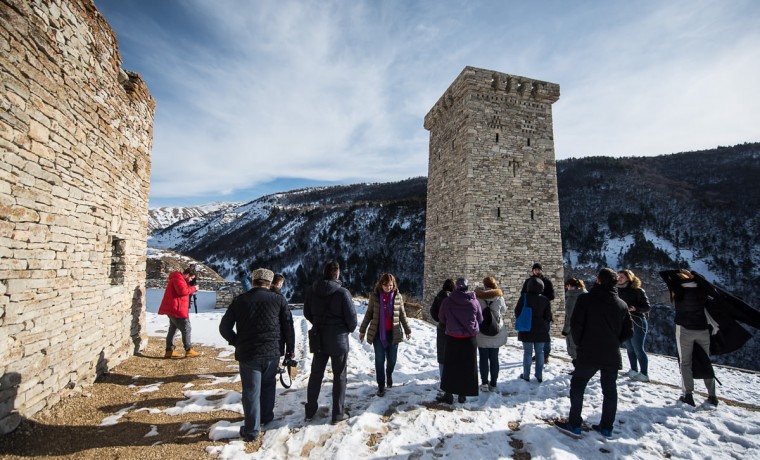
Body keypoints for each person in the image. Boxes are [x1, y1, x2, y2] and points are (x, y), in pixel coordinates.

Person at [219, 268, 296, 442]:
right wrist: (290, 349)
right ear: (269, 283)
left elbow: (224, 328)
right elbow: (288, 327)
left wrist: (236, 341)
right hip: (272, 351)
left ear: (253, 281)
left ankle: (252, 430)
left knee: (251, 391)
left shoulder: (240, 301)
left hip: (248, 353)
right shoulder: (278, 300)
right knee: (268, 385)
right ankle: (266, 416)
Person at [555, 268, 633, 439]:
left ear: (598, 280)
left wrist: (581, 343)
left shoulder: (585, 299)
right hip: (611, 353)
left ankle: (574, 424)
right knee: (610, 392)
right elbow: (629, 332)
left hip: (588, 351)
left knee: (578, 385)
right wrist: (615, 342)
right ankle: (606, 427)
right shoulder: (622, 305)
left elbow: (576, 325)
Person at [304, 260, 358, 424]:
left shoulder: (312, 291)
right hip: (338, 339)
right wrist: (344, 329)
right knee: (339, 377)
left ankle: (310, 411)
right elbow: (352, 320)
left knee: (315, 375)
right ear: (337, 274)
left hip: (319, 337)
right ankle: (337, 414)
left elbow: (307, 312)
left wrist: (318, 322)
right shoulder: (343, 293)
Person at [668, 269, 718, 407]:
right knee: (705, 361)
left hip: (684, 329)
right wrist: (694, 275)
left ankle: (688, 394)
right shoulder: (701, 289)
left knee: (685, 363)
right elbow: (708, 286)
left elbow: (669, 282)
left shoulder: (677, 290)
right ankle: (712, 396)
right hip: (702, 329)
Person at [359, 273, 412, 396]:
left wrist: (407, 329)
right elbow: (369, 314)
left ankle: (389, 373)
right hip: (378, 334)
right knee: (379, 360)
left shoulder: (398, 297)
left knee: (392, 360)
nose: (388, 287)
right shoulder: (375, 297)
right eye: (385, 285)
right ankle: (381, 385)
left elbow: (402, 315)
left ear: (393, 285)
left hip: (394, 333)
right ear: (381, 284)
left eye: (390, 285)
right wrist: (362, 330)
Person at [437, 277, 483, 404]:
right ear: (467, 288)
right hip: (469, 340)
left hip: (452, 338)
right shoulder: (474, 302)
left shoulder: (448, 301)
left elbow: (441, 318)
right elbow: (480, 319)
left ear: (456, 287)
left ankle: (449, 394)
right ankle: (463, 394)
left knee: (450, 367)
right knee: (467, 367)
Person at [158, 265, 201, 358]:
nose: (190, 280)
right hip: (177, 309)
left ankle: (169, 350)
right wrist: (194, 288)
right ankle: (188, 349)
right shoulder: (178, 279)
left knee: (173, 328)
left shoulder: (178, 278)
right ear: (187, 274)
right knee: (186, 328)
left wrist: (189, 286)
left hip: (174, 307)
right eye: (191, 278)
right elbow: (182, 291)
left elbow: (183, 290)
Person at [617, 269, 651, 382]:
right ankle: (633, 370)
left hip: (637, 321)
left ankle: (644, 373)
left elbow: (647, 307)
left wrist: (635, 308)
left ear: (629, 278)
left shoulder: (638, 291)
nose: (619, 278)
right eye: (618, 276)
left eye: (622, 276)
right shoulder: (616, 290)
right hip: (624, 322)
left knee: (638, 348)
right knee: (630, 348)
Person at [515, 277, 551, 382]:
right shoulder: (545, 299)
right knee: (540, 352)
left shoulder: (524, 297)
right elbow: (548, 316)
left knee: (527, 352)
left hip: (526, 328)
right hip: (541, 329)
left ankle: (526, 375)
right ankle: (539, 375)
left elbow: (517, 311)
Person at [475, 276, 508, 392]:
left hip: (482, 332)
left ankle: (484, 383)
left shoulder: (478, 297)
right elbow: (503, 310)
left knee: (483, 358)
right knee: (494, 359)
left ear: (484, 284)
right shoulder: (499, 297)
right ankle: (493, 384)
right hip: (495, 332)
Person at [520, 263, 555, 362]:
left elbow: (551, 296)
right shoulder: (528, 281)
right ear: (532, 271)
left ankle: (546, 354)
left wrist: (540, 299)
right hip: (531, 312)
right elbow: (523, 294)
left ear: (541, 270)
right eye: (535, 269)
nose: (537, 271)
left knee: (546, 333)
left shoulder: (547, 282)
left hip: (544, 311)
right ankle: (538, 354)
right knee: (534, 334)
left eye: (538, 269)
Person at [429, 279, 455, 387]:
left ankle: (443, 380)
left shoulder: (439, 296)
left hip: (441, 328)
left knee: (442, 355)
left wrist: (439, 320)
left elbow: (432, 311)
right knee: (453, 354)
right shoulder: (454, 298)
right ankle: (453, 378)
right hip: (453, 329)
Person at [562, 277, 587, 369]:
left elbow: (570, 316)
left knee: (574, 347)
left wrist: (565, 329)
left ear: (571, 286)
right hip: (585, 326)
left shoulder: (572, 298)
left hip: (574, 328)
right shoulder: (585, 295)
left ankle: (578, 369)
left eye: (568, 286)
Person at [271, 273, 294, 358]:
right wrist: (290, 348)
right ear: (279, 283)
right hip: (276, 339)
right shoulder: (280, 299)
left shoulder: (261, 295)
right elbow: (287, 324)